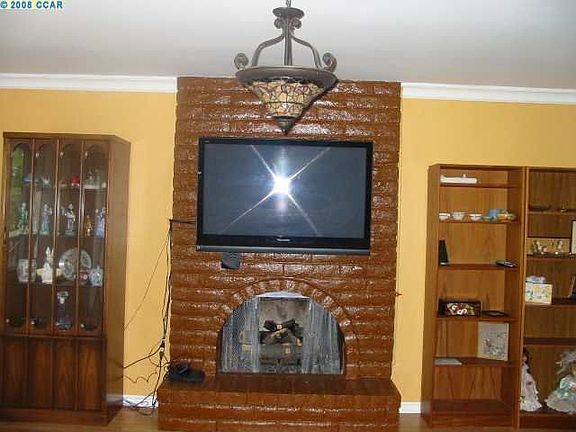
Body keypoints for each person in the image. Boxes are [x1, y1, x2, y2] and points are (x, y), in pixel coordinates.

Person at [546, 350, 576, 414]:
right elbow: (562, 391)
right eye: (574, 369)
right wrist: (569, 390)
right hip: (570, 397)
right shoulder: (568, 379)